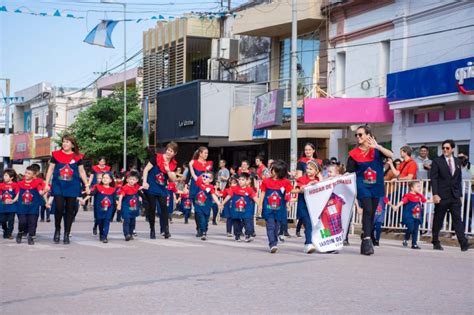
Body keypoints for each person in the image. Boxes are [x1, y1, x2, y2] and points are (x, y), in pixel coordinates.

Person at [346, 125, 393, 255]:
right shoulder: (354, 154)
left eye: (360, 134)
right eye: (356, 135)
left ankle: (365, 235)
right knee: (367, 209)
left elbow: (391, 155)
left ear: (368, 135)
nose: (358, 137)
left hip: (376, 185)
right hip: (363, 185)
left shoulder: (377, 150)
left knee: (372, 212)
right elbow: (349, 172)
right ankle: (367, 239)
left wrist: (377, 147)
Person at [44, 134, 90, 244]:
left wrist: (87, 185)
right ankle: (57, 230)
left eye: (67, 142)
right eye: (63, 141)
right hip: (58, 185)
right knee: (59, 208)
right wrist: (46, 184)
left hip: (72, 186)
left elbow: (82, 171)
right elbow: (50, 170)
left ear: (73, 145)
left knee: (70, 210)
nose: (64, 144)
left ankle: (66, 233)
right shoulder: (56, 155)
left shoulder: (77, 157)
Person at [430, 140, 471, 251]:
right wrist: (435, 194)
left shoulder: (457, 161)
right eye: (443, 148)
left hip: (455, 196)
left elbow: (458, 179)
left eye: (447, 148)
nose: (445, 150)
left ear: (452, 149)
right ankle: (435, 241)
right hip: (441, 195)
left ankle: (463, 243)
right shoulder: (437, 161)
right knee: (438, 219)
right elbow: (433, 179)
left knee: (458, 219)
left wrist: (460, 195)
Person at [142, 142, 178, 239]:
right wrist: (144, 182)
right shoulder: (157, 157)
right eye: (168, 150)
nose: (169, 152)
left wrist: (167, 169)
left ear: (174, 153)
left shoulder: (172, 163)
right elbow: (146, 170)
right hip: (152, 186)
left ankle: (166, 230)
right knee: (152, 209)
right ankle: (152, 229)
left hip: (162, 188)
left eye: (171, 151)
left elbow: (173, 179)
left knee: (164, 208)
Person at [258, 160, 294, 253]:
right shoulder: (266, 181)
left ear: (278, 172)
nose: (270, 170)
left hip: (280, 209)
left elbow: (288, 194)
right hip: (268, 209)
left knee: (276, 227)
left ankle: (275, 242)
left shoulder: (286, 182)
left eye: (272, 169)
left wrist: (288, 204)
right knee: (270, 226)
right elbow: (262, 193)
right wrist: (260, 205)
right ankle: (272, 244)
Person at [392, 181, 432, 249]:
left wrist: (434, 200)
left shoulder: (419, 195)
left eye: (420, 186)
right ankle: (406, 239)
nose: (420, 188)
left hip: (417, 215)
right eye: (418, 186)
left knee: (416, 229)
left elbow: (425, 201)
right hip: (409, 215)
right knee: (410, 228)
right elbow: (403, 201)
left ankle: (414, 244)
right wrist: (397, 206)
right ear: (412, 188)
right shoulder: (408, 195)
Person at [222, 172, 259, 242]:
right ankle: (237, 235)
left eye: (243, 180)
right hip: (236, 210)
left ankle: (248, 235)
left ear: (247, 181)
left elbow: (255, 198)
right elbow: (228, 196)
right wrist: (222, 203)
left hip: (246, 210)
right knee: (236, 223)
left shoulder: (250, 190)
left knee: (248, 222)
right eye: (239, 179)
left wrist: (260, 205)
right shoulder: (234, 188)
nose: (240, 181)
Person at [294, 160, 320, 253]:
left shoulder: (318, 180)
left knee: (312, 226)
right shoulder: (302, 179)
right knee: (308, 224)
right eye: (307, 168)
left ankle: (307, 243)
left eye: (311, 169)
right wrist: (308, 185)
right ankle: (309, 243)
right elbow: (299, 189)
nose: (308, 170)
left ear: (316, 171)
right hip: (303, 207)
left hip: (313, 208)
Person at [82, 172, 115, 243]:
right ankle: (101, 233)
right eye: (104, 178)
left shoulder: (113, 189)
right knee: (100, 221)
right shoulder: (98, 187)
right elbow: (92, 193)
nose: (105, 179)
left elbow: (115, 199)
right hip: (99, 208)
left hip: (109, 208)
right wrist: (87, 192)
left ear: (110, 180)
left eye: (107, 178)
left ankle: (105, 236)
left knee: (107, 221)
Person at [16, 166, 46, 245]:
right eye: (26, 172)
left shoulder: (37, 183)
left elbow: (41, 193)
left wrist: (45, 190)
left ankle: (31, 237)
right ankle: (20, 232)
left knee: (32, 223)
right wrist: (12, 200)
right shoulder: (19, 183)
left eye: (29, 173)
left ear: (33, 175)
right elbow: (17, 194)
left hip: (33, 207)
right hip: (22, 207)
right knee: (22, 222)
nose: (26, 174)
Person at [189, 147, 213, 235]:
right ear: (200, 153)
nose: (206, 155)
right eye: (205, 153)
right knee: (197, 208)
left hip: (206, 188)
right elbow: (191, 175)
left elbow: (211, 176)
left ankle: (204, 226)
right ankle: (199, 228)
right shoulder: (193, 163)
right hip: (196, 187)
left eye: (207, 153)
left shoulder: (209, 164)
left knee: (205, 207)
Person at [193, 171, 221, 240]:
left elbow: (213, 195)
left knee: (205, 220)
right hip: (199, 206)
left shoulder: (211, 187)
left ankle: (205, 229)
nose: (204, 178)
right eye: (203, 176)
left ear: (211, 180)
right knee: (201, 219)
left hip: (207, 207)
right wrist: (191, 166)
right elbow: (194, 176)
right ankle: (203, 233)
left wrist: (219, 203)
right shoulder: (199, 183)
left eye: (206, 177)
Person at [117, 171, 142, 241]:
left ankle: (130, 234)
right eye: (130, 179)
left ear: (136, 180)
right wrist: (119, 204)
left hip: (134, 207)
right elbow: (121, 196)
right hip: (126, 207)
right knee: (127, 220)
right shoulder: (125, 187)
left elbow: (141, 189)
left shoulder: (137, 187)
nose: (132, 181)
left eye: (134, 179)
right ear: (127, 179)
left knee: (132, 221)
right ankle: (126, 234)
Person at [0, 168, 19, 240]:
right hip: (2, 206)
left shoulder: (15, 185)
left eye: (6, 175)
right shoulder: (1, 185)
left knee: (11, 221)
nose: (4, 177)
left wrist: (13, 200)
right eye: (4, 175)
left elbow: (18, 194)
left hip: (12, 206)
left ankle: (9, 233)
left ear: (11, 177)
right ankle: (5, 229)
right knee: (2, 220)